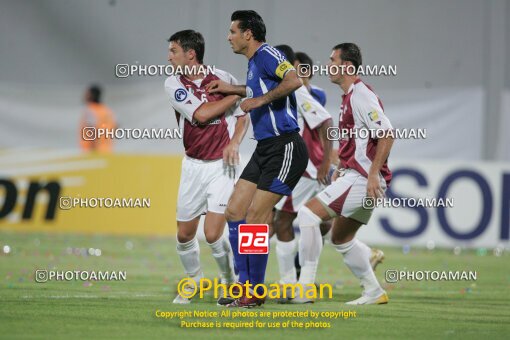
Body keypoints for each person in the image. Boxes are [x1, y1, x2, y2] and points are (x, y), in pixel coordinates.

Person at [206, 10, 308, 307]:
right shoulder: (254, 63)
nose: (229, 37)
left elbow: (294, 80)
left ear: (248, 34)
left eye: (233, 31)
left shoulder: (267, 53)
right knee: (235, 211)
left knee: (256, 219)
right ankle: (244, 285)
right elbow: (257, 88)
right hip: (265, 148)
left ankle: (254, 291)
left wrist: (258, 101)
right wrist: (234, 89)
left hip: (286, 147)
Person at [294, 43, 394, 305]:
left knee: (307, 214)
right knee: (341, 237)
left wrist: (372, 175)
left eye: (332, 60)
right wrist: (341, 166)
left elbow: (386, 133)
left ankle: (304, 288)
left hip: (363, 180)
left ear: (347, 66)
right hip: (359, 176)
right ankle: (373, 291)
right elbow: (357, 141)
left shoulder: (361, 95)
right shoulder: (349, 96)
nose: (328, 65)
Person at [164, 29, 250, 305]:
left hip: (221, 167)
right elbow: (201, 115)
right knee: (184, 234)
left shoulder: (224, 78)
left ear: (191, 54)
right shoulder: (172, 83)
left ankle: (229, 282)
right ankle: (194, 280)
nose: (169, 57)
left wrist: (235, 142)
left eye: (173, 51)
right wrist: (235, 95)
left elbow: (242, 117)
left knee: (213, 234)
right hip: (192, 166)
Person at [270, 45, 333, 288]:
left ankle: (287, 282)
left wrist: (326, 163)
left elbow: (326, 121)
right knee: (322, 222)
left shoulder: (295, 88)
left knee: (278, 221)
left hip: (301, 166)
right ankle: (362, 253)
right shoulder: (272, 87)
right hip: (278, 162)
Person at [80, 85, 116, 153]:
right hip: (107, 150)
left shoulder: (90, 110)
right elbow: (115, 127)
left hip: (92, 151)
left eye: (87, 94)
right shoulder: (107, 110)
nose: (84, 96)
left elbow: (91, 129)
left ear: (92, 95)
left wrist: (93, 149)